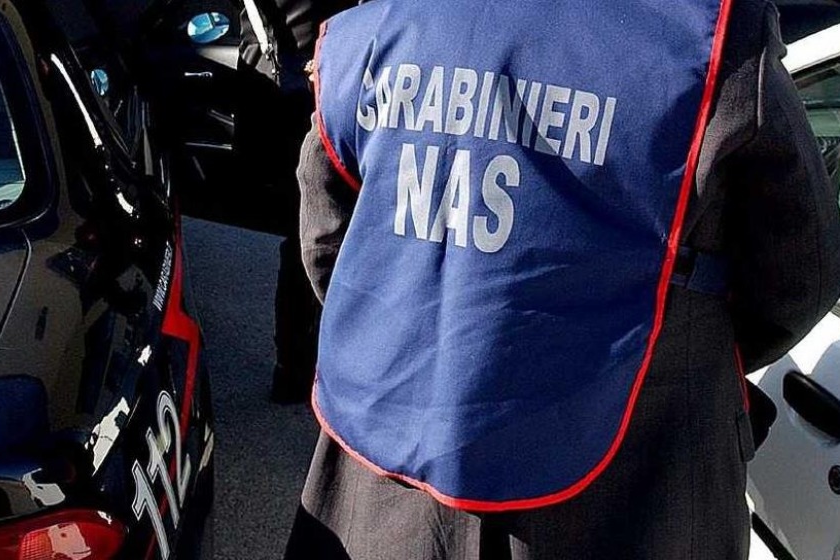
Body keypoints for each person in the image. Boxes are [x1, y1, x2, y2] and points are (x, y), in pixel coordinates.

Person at [286, 0, 840, 558]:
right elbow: (802, 274)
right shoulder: (710, 35)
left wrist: (419, 332)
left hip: (388, 484)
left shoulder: (379, 25)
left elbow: (327, 243)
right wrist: (675, 347)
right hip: (637, 480)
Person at [233, 0, 357, 403]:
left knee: (302, 233)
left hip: (270, 81)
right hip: (311, 87)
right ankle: (305, 364)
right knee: (320, 234)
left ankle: (292, 365)